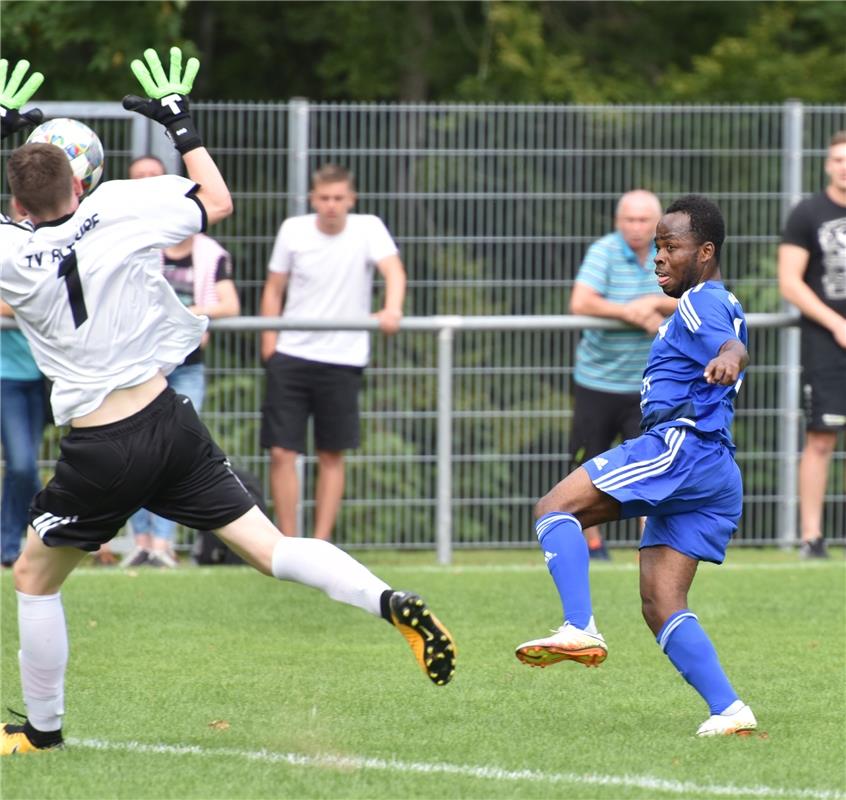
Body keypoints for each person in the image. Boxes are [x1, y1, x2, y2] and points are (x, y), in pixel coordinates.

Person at [0, 50, 455, 756]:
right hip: (166, 419)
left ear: (19, 202)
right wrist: (183, 126)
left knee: (33, 578)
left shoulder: (10, 250)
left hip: (100, 446)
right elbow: (217, 201)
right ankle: (384, 600)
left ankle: (42, 732)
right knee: (272, 549)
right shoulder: (121, 205)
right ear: (84, 180)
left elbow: (25, 222)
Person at [515, 195, 757, 737]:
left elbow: (731, 348)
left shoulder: (699, 302)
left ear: (706, 251)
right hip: (715, 468)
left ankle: (579, 627)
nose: (660, 258)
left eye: (672, 247)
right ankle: (729, 709)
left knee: (555, 507)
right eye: (657, 248)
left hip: (682, 448)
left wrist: (728, 358)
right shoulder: (717, 301)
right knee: (660, 600)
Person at [259, 164, 406, 540]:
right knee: (281, 452)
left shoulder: (369, 227)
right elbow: (274, 287)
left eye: (338, 198)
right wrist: (269, 343)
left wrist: (392, 308)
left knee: (331, 453)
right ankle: (288, 543)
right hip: (291, 354)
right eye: (324, 198)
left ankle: (321, 545)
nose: (331, 206)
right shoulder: (293, 230)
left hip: (343, 357)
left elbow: (394, 272)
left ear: (351, 200)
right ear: (313, 199)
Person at [121, 153, 241, 568]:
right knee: (135, 452)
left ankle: (164, 545)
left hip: (187, 367)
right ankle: (141, 542)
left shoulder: (211, 253)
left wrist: (188, 314)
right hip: (140, 367)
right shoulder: (131, 245)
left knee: (173, 452)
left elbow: (230, 304)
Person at [569, 190, 676, 559]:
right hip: (597, 381)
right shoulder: (604, 251)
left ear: (657, 222)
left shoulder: (671, 252)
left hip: (650, 384)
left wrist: (654, 302)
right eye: (629, 220)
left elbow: (695, 299)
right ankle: (593, 546)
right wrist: (630, 313)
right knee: (589, 465)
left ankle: (650, 547)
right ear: (618, 222)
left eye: (644, 220)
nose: (636, 227)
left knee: (650, 469)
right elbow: (580, 301)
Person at [778, 131, 846, 560]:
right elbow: (789, 281)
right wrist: (836, 323)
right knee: (821, 438)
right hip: (826, 341)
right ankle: (812, 539)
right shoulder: (808, 212)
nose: (845, 167)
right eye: (839, 159)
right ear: (827, 164)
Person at [1, 296, 45, 568]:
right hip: (5, 380)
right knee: (22, 466)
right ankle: (46, 528)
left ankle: (7, 547)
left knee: (22, 469)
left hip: (39, 379)